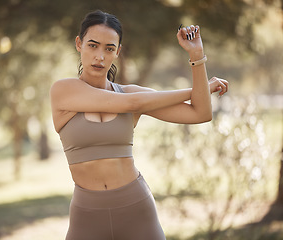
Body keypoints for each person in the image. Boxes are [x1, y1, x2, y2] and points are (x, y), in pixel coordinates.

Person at [50, 10, 228, 240]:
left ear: (118, 52)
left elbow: (200, 113)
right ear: (79, 44)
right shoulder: (63, 91)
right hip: (87, 215)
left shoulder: (130, 93)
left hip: (136, 207)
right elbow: (132, 103)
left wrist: (197, 55)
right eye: (92, 45)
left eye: (109, 48)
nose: (100, 56)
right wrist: (202, 87)